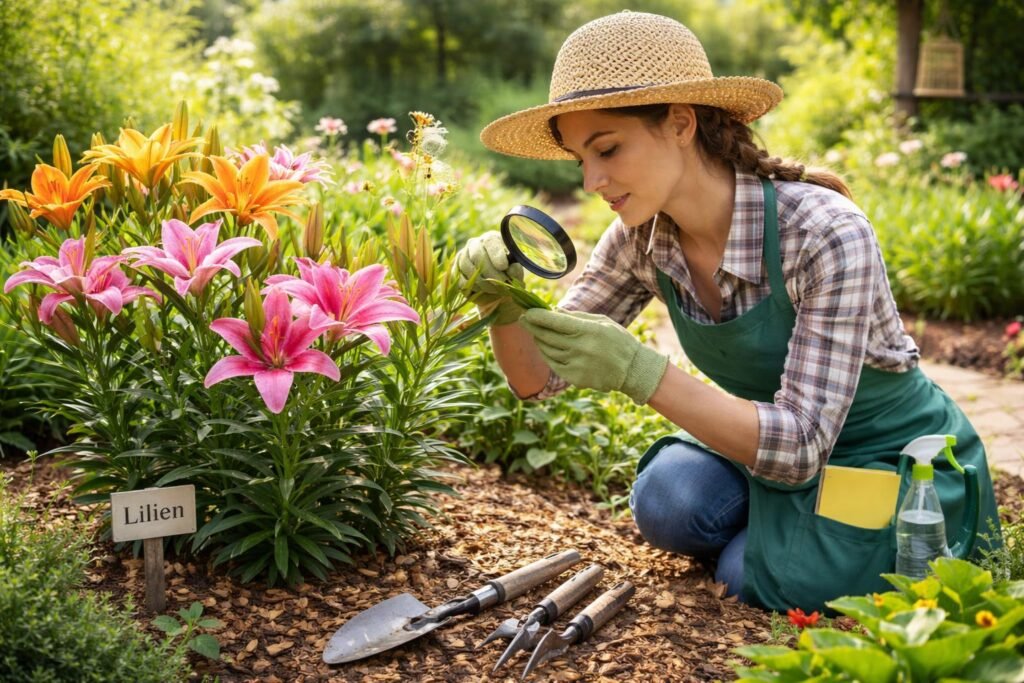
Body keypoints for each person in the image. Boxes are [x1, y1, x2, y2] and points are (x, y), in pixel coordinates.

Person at [455, 10, 1001, 612]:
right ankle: (789, 532)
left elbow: (799, 449)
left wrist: (641, 372)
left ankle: (783, 540)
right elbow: (536, 379)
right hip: (765, 442)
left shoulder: (823, 233)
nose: (591, 181)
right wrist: (498, 300)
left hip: (877, 452)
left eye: (606, 149)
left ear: (681, 123)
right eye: (579, 159)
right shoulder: (640, 240)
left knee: (747, 574)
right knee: (668, 497)